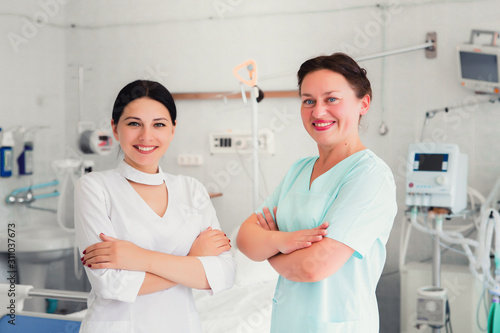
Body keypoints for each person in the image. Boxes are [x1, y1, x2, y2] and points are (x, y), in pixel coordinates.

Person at [237, 53, 397, 332]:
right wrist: (283, 240)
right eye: (308, 101)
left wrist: (271, 249)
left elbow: (313, 267)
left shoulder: (370, 176)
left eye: (331, 99)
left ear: (364, 103)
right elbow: (245, 239)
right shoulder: (299, 170)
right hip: (287, 322)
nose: (318, 112)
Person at [76, 80, 235, 333]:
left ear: (173, 129)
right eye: (134, 124)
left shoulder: (192, 190)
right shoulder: (95, 187)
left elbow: (224, 274)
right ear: (115, 129)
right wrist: (193, 261)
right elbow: (110, 284)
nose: (146, 136)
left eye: (158, 124)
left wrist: (140, 258)